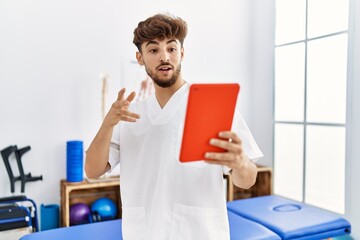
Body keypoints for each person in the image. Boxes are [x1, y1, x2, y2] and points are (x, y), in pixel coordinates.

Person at [85, 13, 263, 240]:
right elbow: (92, 171)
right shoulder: (129, 114)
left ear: (182, 53)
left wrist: (240, 163)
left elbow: (247, 181)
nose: (164, 57)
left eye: (171, 48)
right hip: (143, 233)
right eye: (153, 50)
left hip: (200, 233)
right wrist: (107, 123)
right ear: (140, 58)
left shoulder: (212, 105)